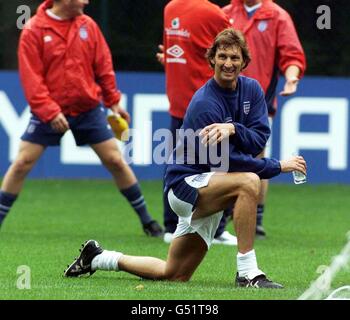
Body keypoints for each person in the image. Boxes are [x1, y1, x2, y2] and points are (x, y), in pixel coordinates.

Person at [64, 28, 307, 288]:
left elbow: (260, 139)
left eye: (235, 58)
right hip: (185, 186)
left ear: (244, 62)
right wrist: (277, 166)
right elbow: (229, 162)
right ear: (212, 59)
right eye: (222, 56)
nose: (228, 63)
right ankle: (248, 273)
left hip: (214, 185)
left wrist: (234, 128)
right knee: (248, 181)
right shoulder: (205, 102)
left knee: (174, 273)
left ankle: (98, 258)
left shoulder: (253, 89)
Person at [0, 0, 163, 237]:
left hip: (87, 108)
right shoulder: (34, 29)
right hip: (50, 110)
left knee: (116, 161)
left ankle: (148, 221)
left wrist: (114, 101)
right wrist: (49, 110)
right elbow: (31, 78)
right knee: (22, 163)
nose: (86, 1)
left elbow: (103, 66)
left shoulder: (89, 25)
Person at [223, 0, 306, 238]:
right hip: (225, 97)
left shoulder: (278, 16)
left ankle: (255, 218)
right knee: (220, 157)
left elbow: (292, 55)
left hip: (259, 102)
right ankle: (221, 214)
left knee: (256, 156)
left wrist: (292, 78)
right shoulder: (226, 13)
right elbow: (206, 50)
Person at [158, 0, 237, 245]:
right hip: (206, 103)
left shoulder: (170, 8)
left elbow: (173, 51)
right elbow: (231, 56)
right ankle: (217, 229)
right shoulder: (214, 13)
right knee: (218, 165)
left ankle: (172, 226)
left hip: (179, 99)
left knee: (176, 164)